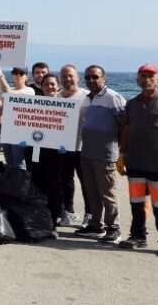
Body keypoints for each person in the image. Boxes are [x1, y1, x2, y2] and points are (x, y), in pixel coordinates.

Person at [117, 64, 158, 258]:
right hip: (135, 164)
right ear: (137, 80)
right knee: (137, 204)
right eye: (143, 76)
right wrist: (122, 154)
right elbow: (126, 131)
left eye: (151, 76)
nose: (146, 79)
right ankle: (138, 237)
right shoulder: (131, 104)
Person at [74, 65, 126, 244]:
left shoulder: (112, 97)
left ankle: (114, 229)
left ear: (104, 78)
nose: (91, 80)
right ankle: (96, 225)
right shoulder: (87, 99)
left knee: (108, 193)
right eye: (87, 77)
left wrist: (123, 152)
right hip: (87, 152)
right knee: (92, 192)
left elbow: (124, 125)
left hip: (105, 154)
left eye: (95, 77)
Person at [29, 74, 66, 239]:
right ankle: (37, 222)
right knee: (36, 186)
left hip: (55, 154)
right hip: (35, 150)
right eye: (46, 84)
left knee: (53, 188)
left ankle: (52, 224)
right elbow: (24, 123)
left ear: (57, 86)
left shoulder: (66, 106)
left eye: (52, 84)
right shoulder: (34, 104)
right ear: (41, 86)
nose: (50, 87)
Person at [58, 64, 91, 227]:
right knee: (65, 181)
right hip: (63, 148)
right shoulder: (56, 97)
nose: (67, 79)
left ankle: (90, 214)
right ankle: (69, 212)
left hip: (83, 147)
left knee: (87, 182)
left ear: (77, 77)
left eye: (70, 75)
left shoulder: (87, 96)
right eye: (64, 76)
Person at [0, 66, 35, 170]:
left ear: (27, 77)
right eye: (15, 72)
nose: (18, 75)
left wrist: (0, 76)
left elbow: (10, 94)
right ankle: (13, 185)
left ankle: (21, 185)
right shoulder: (9, 91)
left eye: (21, 73)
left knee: (19, 164)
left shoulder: (29, 91)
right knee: (10, 164)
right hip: (7, 132)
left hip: (20, 134)